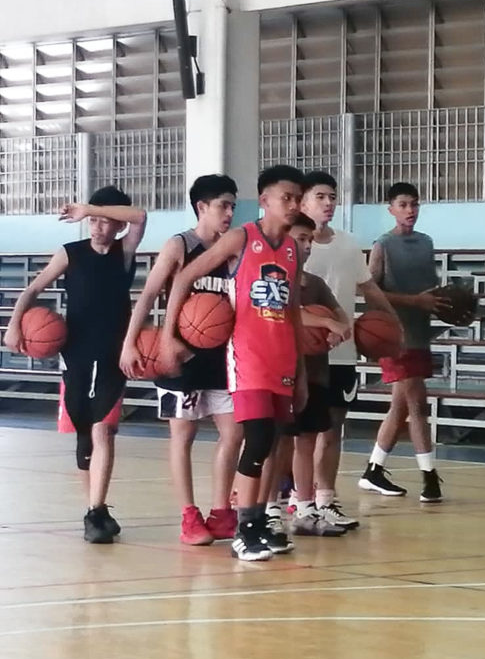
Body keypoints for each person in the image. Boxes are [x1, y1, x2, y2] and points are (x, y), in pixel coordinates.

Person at [161, 164, 308, 561]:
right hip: (247, 357)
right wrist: (169, 334)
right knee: (257, 438)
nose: (294, 204)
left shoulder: (293, 249)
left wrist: (303, 371)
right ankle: (244, 529)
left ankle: (258, 522)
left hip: (283, 359)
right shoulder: (243, 238)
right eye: (286, 197)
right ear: (264, 201)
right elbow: (184, 277)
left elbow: (292, 310)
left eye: (298, 198)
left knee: (276, 442)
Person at [4, 187, 147, 543]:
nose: (97, 227)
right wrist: (13, 325)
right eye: (93, 221)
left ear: (116, 225)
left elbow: (141, 216)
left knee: (104, 431)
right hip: (76, 353)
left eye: (104, 221)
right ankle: (94, 510)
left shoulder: (124, 252)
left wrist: (88, 208)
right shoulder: (71, 253)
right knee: (85, 435)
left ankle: (96, 511)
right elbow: (32, 290)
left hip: (114, 354)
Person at [119, 175, 243, 546]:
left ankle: (222, 512)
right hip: (179, 356)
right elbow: (148, 295)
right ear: (202, 207)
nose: (230, 212)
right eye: (224, 205)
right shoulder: (180, 245)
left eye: (233, 206)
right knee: (183, 435)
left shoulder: (232, 249)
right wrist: (130, 343)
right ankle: (189, 515)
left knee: (234, 432)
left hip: (221, 357)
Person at [299, 171, 399, 528]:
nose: (329, 203)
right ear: (304, 201)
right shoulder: (294, 245)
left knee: (333, 427)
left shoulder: (348, 243)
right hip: (305, 352)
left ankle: (326, 499)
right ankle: (298, 499)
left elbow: (369, 288)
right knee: (301, 431)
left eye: (332, 197)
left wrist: (392, 323)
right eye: (321, 196)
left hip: (342, 350)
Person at [358, 182, 447, 502]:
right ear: (391, 209)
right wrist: (413, 301)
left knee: (399, 407)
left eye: (414, 204)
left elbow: (429, 290)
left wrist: (446, 302)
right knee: (418, 406)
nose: (410, 210)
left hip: (420, 332)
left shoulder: (426, 243)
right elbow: (369, 291)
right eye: (403, 204)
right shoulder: (382, 245)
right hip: (394, 335)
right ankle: (430, 477)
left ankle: (373, 470)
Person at [278, 213, 350, 537]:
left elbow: (340, 317)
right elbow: (290, 313)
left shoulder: (316, 284)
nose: (306, 245)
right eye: (300, 238)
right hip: (282, 370)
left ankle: (305, 507)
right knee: (278, 443)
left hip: (316, 371)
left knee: (307, 440)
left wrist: (338, 329)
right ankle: (266, 508)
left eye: (309, 240)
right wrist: (326, 324)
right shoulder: (275, 277)